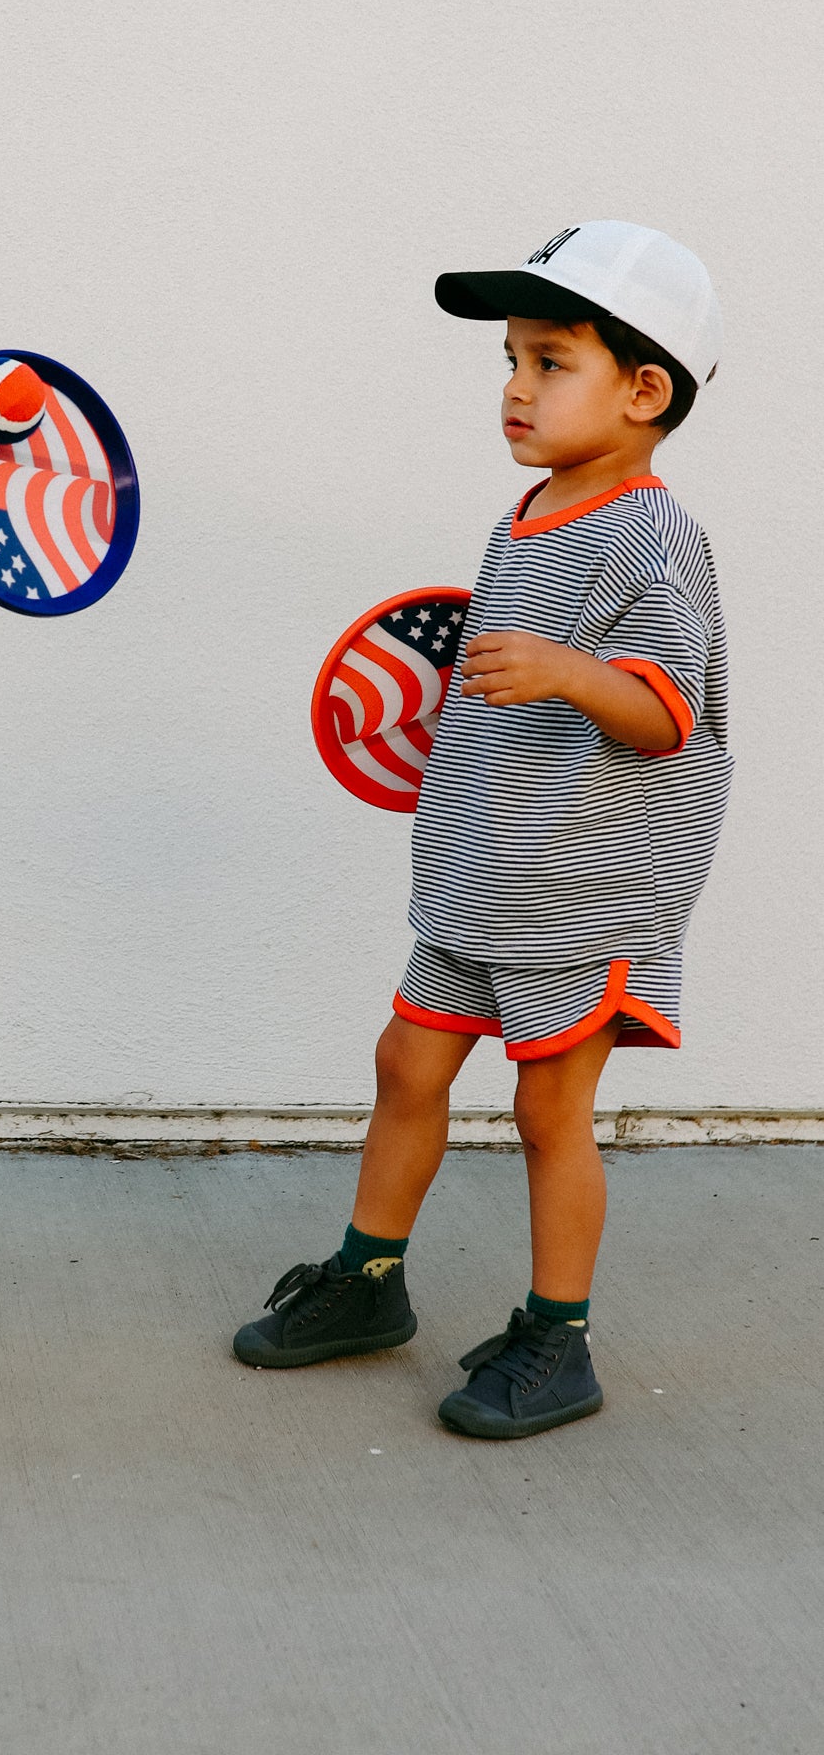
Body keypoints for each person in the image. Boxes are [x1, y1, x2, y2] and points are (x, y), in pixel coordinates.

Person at [234, 222, 732, 1438]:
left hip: (583, 887)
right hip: (481, 876)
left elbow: (666, 711)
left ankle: (558, 1336)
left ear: (645, 388)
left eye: (550, 360)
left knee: (549, 1108)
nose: (514, 385)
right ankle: (365, 1280)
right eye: (510, 357)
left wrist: (569, 669)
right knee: (407, 1064)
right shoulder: (528, 516)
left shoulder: (651, 535)